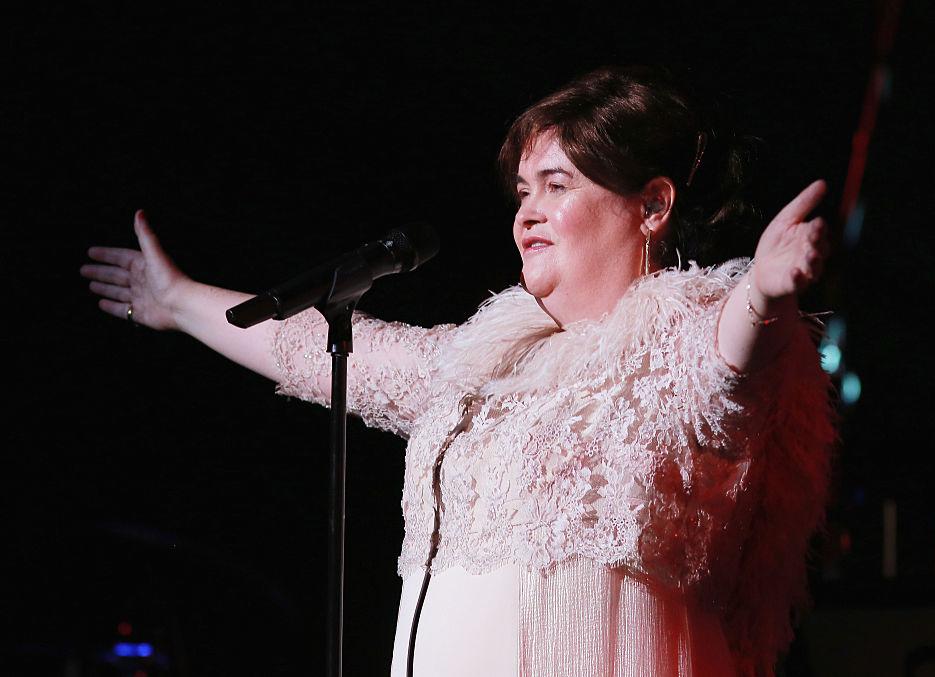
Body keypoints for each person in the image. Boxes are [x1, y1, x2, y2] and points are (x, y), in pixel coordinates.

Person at [81, 66, 835, 677]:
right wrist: (179, 301)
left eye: (557, 184)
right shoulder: (481, 360)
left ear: (652, 204)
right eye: (522, 192)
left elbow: (735, 358)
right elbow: (313, 353)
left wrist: (763, 290)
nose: (526, 213)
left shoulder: (682, 337)